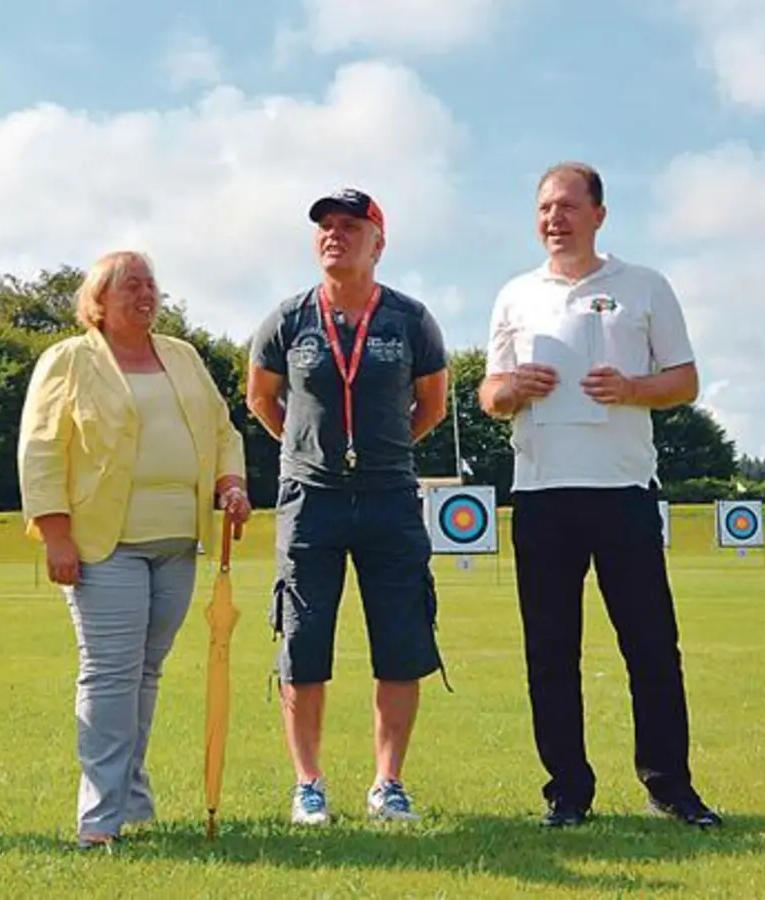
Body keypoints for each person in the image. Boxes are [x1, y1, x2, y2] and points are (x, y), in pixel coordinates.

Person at [477, 161, 721, 828]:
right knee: (551, 653)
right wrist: (511, 391)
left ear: (599, 215)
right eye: (544, 209)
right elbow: (490, 394)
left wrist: (635, 390)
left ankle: (670, 785)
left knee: (650, 648)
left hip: (623, 492)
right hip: (541, 495)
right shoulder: (515, 295)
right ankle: (567, 792)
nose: (553, 220)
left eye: (567, 207)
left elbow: (686, 379)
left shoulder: (644, 286)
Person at [17, 250, 250, 850]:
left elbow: (222, 430)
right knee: (110, 675)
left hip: (178, 542)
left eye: (151, 285)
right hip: (104, 543)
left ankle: (131, 799)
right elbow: (41, 449)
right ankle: (99, 816)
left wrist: (232, 483)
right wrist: (55, 531)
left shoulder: (183, 356)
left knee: (145, 674)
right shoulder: (67, 361)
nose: (145, 295)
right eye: (130, 287)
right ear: (98, 300)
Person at [246, 188, 450, 826]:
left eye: (350, 226)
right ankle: (309, 784)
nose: (335, 235)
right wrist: (307, 452)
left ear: (378, 242)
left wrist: (382, 454)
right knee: (304, 643)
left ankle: (388, 783)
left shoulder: (411, 319)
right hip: (311, 501)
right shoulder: (287, 318)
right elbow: (261, 399)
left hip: (390, 496)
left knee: (401, 640)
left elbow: (433, 406)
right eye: (326, 227)